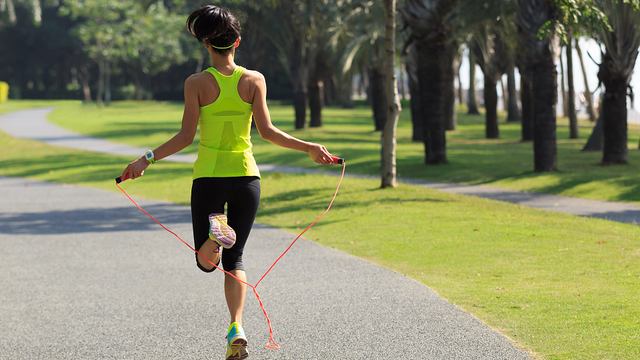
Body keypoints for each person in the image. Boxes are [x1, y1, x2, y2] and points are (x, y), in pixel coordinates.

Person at [120, 5, 334, 359]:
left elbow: (186, 137)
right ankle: (237, 325)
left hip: (209, 178)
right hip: (247, 178)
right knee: (237, 260)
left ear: (206, 44)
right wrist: (309, 146)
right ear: (237, 41)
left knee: (206, 263)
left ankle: (215, 238)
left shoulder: (197, 83)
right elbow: (267, 132)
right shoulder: (255, 80)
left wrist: (145, 160)